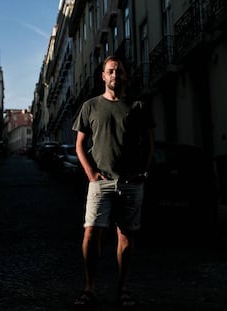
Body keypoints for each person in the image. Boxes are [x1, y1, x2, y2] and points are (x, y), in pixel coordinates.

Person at [72, 55, 155, 308]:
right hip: (101, 182)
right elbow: (79, 145)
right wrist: (91, 175)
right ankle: (90, 287)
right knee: (91, 233)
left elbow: (149, 142)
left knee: (126, 236)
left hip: (131, 182)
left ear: (125, 75)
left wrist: (144, 171)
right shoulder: (90, 106)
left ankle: (123, 288)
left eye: (119, 71)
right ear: (103, 76)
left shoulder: (138, 106)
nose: (115, 75)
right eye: (110, 71)